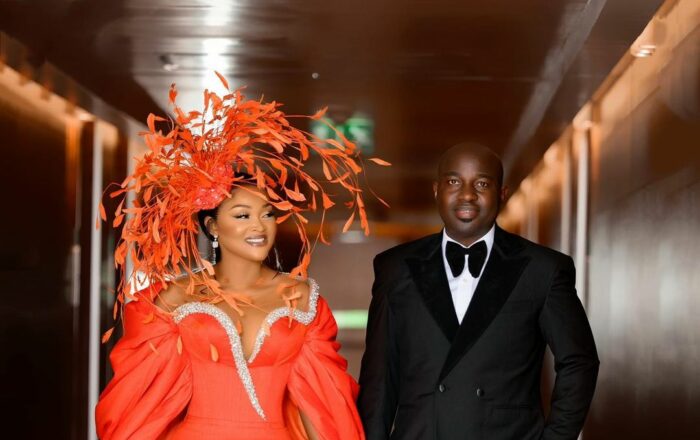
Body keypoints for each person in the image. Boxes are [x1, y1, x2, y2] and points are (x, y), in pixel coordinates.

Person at [95, 79, 377, 439]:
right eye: (242, 215)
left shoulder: (302, 299)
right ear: (212, 225)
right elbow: (139, 405)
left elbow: (322, 408)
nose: (259, 226)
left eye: (267, 214)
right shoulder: (173, 300)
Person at [357, 142, 599, 440]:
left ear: (502, 193)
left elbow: (579, 362)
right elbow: (379, 379)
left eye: (482, 183)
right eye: (453, 182)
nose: (467, 194)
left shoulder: (543, 269)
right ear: (436, 190)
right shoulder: (395, 268)